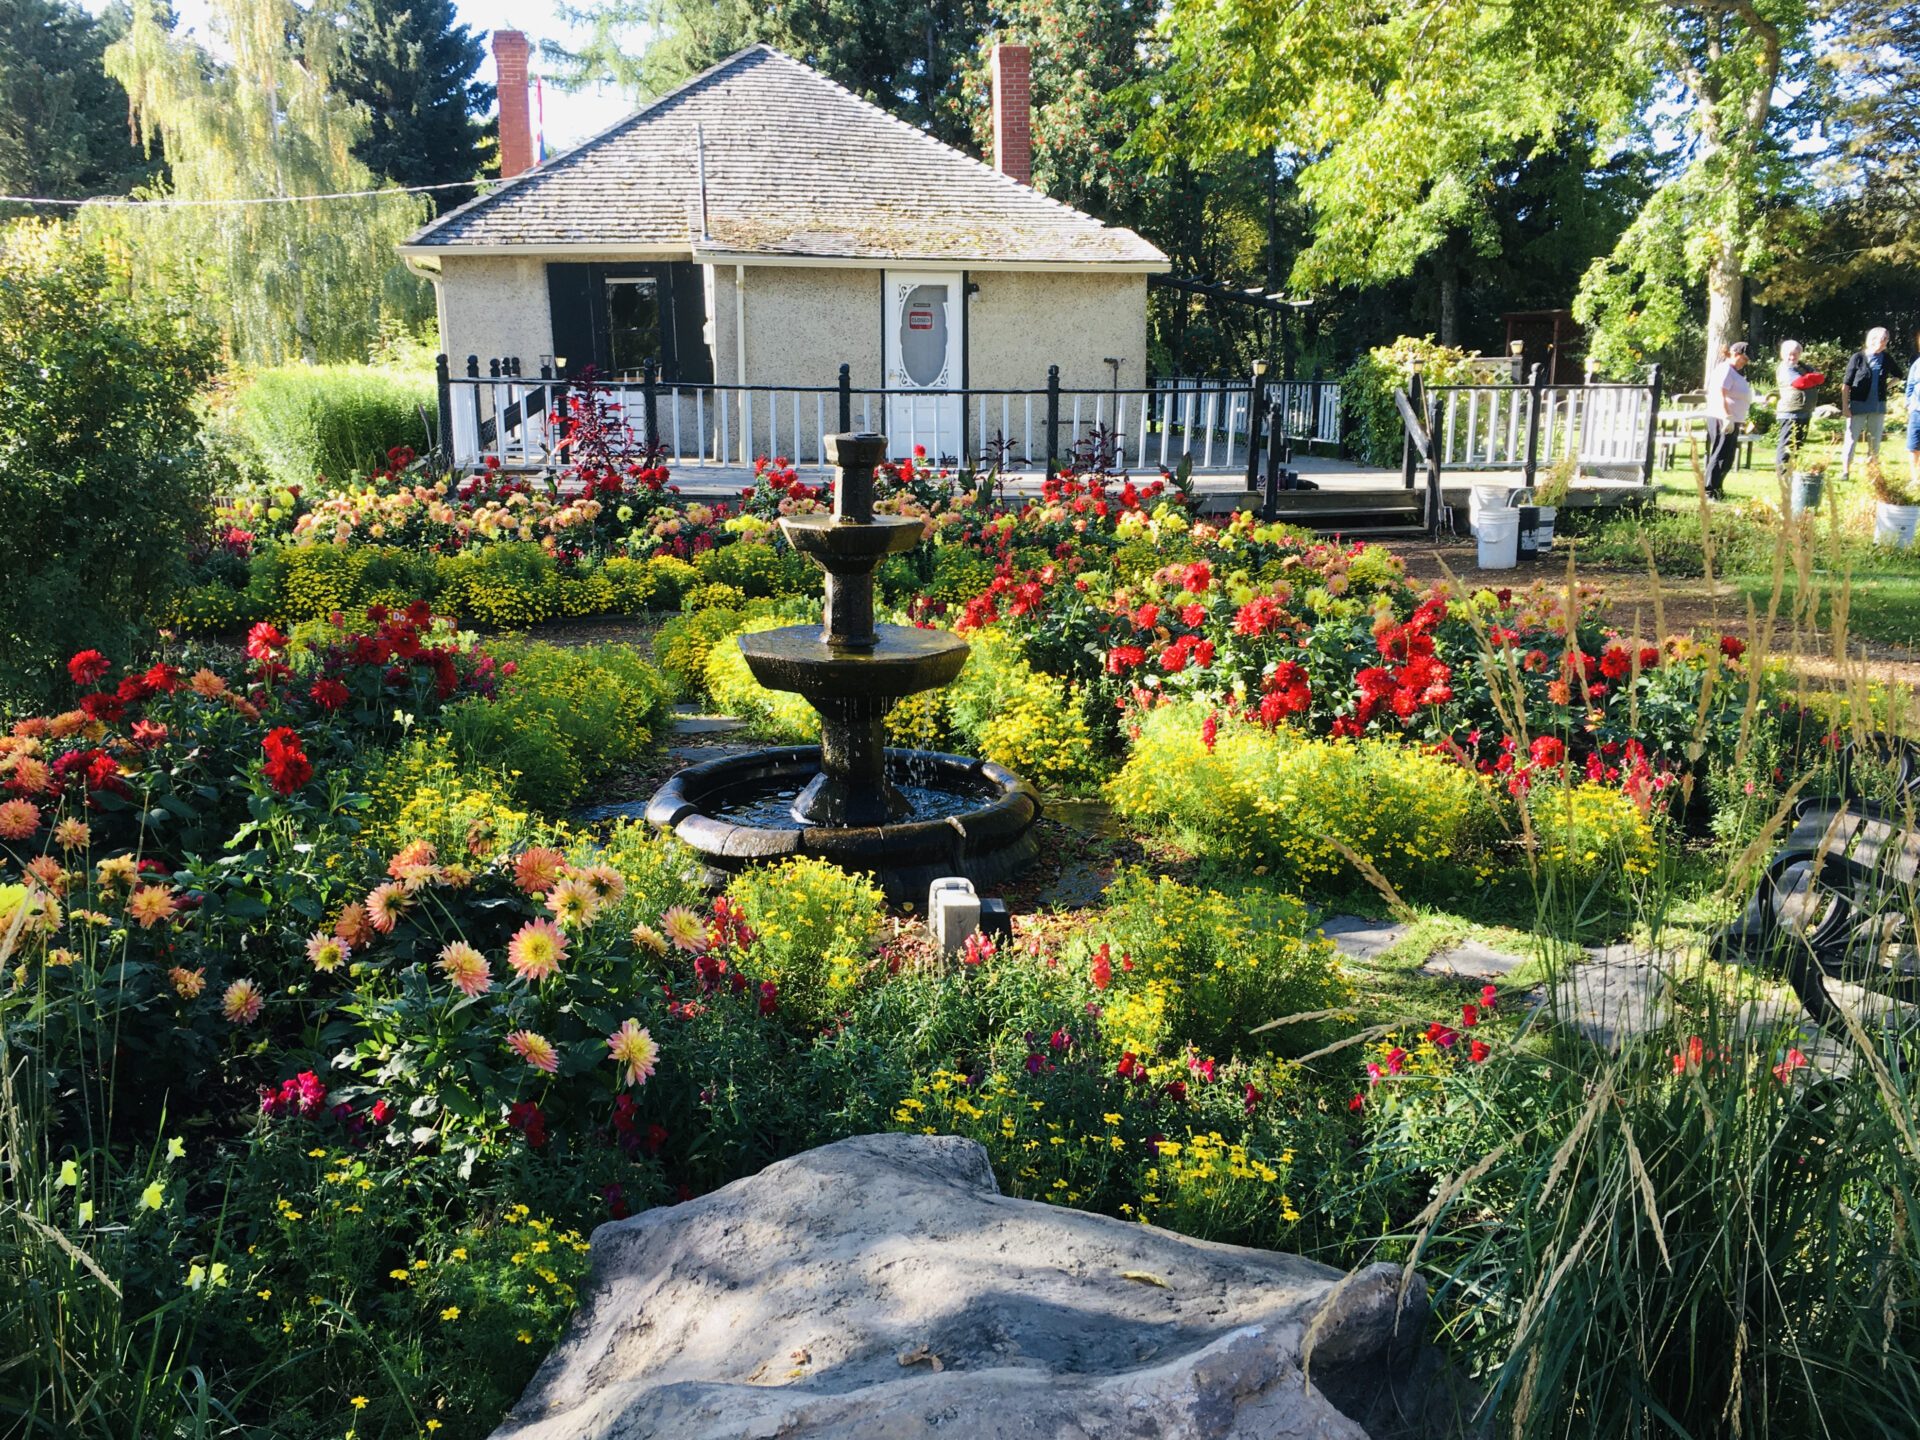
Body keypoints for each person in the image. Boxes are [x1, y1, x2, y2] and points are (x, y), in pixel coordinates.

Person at [1841, 327, 1892, 481]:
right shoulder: (1858, 357)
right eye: (1881, 340)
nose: (1883, 344)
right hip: (1857, 407)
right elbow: (1846, 385)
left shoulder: (1886, 358)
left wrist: (1886, 386)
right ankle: (1845, 472)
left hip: (1878, 407)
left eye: (1885, 341)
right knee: (1851, 439)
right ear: (1872, 340)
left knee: (1874, 442)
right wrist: (1845, 406)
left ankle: (1872, 473)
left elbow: (1899, 374)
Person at [1705, 341, 1752, 500]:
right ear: (1735, 353)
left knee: (1727, 456)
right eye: (1743, 359)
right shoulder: (1725, 370)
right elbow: (1720, 393)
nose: (1744, 363)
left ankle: (1718, 489)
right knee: (1720, 454)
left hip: (1732, 419)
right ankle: (1710, 491)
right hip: (1722, 418)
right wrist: (1727, 416)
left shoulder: (1733, 372)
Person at [1774, 339, 1823, 475]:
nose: (1792, 357)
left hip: (1805, 411)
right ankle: (1783, 472)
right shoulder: (1785, 368)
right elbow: (1800, 383)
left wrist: (1810, 378)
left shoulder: (1802, 366)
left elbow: (1820, 378)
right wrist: (1810, 378)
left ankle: (1792, 469)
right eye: (1789, 354)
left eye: (1795, 354)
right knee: (1787, 444)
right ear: (1782, 354)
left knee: (1798, 445)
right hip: (1790, 411)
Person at [1908, 327, 1920, 491]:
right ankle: (1914, 477)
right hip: (1917, 410)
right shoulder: (1917, 364)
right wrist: (1909, 405)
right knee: (1913, 445)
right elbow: (1910, 386)